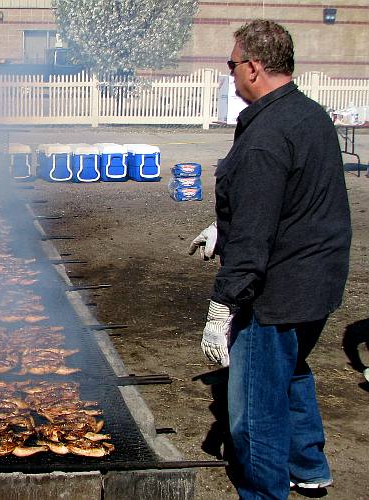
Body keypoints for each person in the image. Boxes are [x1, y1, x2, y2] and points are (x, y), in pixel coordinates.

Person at [188, 20, 351, 498]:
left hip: (277, 289)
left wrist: (224, 306)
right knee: (293, 370)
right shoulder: (307, 113)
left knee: (255, 406)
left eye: (232, 64)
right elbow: (295, 195)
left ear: (254, 68)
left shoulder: (266, 135)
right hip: (318, 280)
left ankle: (263, 491)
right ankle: (309, 466)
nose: (230, 73)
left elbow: (257, 233)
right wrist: (225, 225)